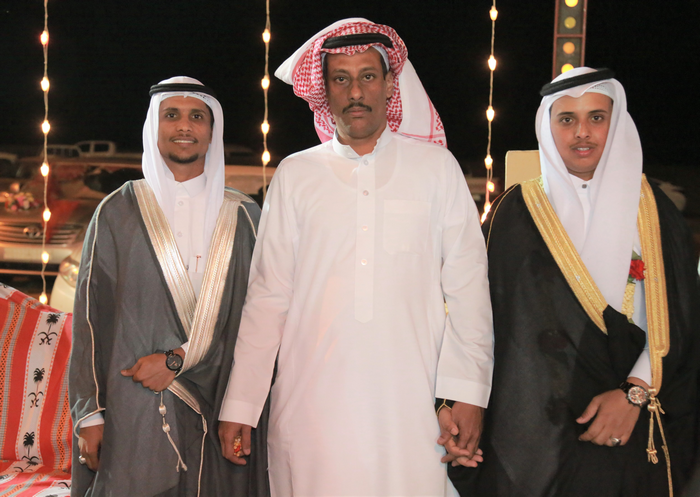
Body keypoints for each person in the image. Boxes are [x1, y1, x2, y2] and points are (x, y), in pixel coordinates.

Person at [218, 18, 494, 497]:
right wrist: (241, 404)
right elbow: (268, 297)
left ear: (389, 84)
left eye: (368, 75)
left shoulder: (436, 170)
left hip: (411, 409)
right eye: (340, 79)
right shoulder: (296, 175)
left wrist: (468, 394)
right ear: (324, 91)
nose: (356, 91)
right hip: (312, 409)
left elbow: (468, 290)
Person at [450, 67, 700, 496]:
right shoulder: (514, 212)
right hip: (534, 432)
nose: (582, 132)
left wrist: (634, 395)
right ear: (548, 127)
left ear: (615, 123)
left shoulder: (655, 212)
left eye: (596, 118)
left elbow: (681, 318)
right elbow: (479, 317)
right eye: (567, 119)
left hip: (629, 423)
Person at [69, 77, 270, 496]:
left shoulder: (245, 216)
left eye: (197, 116)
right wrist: (90, 413)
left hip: (220, 403)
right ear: (153, 127)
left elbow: (261, 318)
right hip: (133, 403)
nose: (184, 126)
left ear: (212, 131)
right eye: (171, 115)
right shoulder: (116, 211)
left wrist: (179, 363)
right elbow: (89, 317)